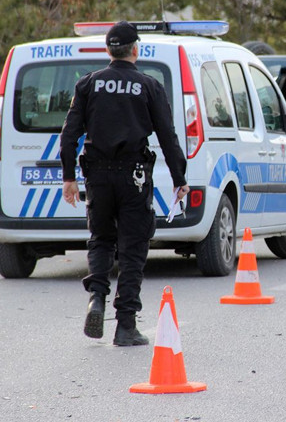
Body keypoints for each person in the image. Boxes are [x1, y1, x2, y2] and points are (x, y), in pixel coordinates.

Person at [60, 21, 189, 345]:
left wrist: (68, 178)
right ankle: (126, 325)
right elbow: (167, 136)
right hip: (133, 176)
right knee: (133, 246)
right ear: (136, 50)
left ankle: (97, 299)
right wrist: (179, 179)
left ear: (108, 50)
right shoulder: (149, 85)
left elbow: (69, 135)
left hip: (98, 175)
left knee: (101, 238)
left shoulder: (88, 84)